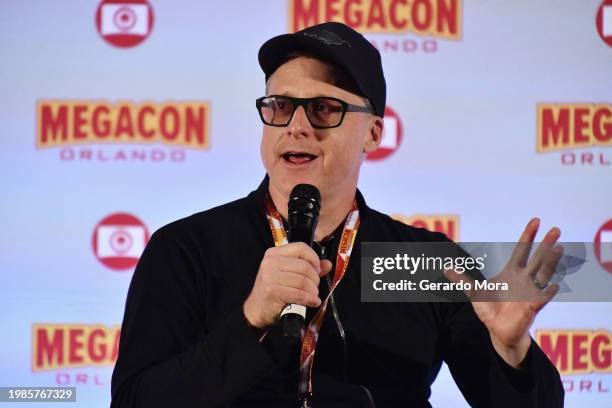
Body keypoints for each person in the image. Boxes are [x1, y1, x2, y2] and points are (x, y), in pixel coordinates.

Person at [110, 22, 564, 407]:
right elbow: (134, 399)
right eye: (281, 107)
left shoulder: (422, 262)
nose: (297, 126)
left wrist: (513, 352)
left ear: (373, 133)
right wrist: (250, 321)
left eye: (324, 109)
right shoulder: (189, 248)